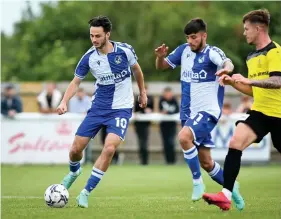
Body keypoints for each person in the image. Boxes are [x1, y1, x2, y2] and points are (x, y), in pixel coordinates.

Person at [56, 16, 147, 208]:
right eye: (91, 35)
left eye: (97, 36)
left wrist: (143, 93)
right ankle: (74, 172)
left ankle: (85, 192)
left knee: (109, 148)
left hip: (121, 109)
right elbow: (75, 82)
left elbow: (137, 70)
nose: (94, 39)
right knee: (75, 150)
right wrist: (64, 101)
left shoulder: (125, 50)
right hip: (98, 108)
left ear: (107, 34)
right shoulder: (89, 57)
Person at [155, 18, 244, 210]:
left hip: (208, 111)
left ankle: (197, 183)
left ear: (204, 35)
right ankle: (232, 188)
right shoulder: (183, 51)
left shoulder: (212, 53)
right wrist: (161, 57)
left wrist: (226, 70)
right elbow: (161, 67)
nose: (190, 41)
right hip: (188, 112)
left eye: (194, 37)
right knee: (206, 161)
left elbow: (227, 62)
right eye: (188, 37)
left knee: (184, 137)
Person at [203, 9, 281, 211]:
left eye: (247, 29)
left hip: (279, 114)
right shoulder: (251, 56)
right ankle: (226, 195)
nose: (244, 33)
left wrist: (248, 79)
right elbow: (255, 90)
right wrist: (232, 83)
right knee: (235, 142)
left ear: (259, 28)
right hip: (261, 112)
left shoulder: (275, 52)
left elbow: (276, 81)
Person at [134, 85, 154, 165]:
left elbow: (151, 109)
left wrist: (149, 111)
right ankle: (142, 160)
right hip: (138, 123)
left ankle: (145, 161)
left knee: (144, 142)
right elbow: (136, 110)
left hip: (146, 123)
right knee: (141, 142)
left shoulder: (150, 98)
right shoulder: (137, 98)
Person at [158, 87, 179, 164]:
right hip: (163, 124)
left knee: (171, 142)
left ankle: (173, 160)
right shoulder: (161, 100)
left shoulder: (174, 100)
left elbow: (177, 110)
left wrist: (168, 113)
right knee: (165, 143)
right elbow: (160, 110)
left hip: (172, 124)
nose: (167, 95)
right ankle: (167, 161)